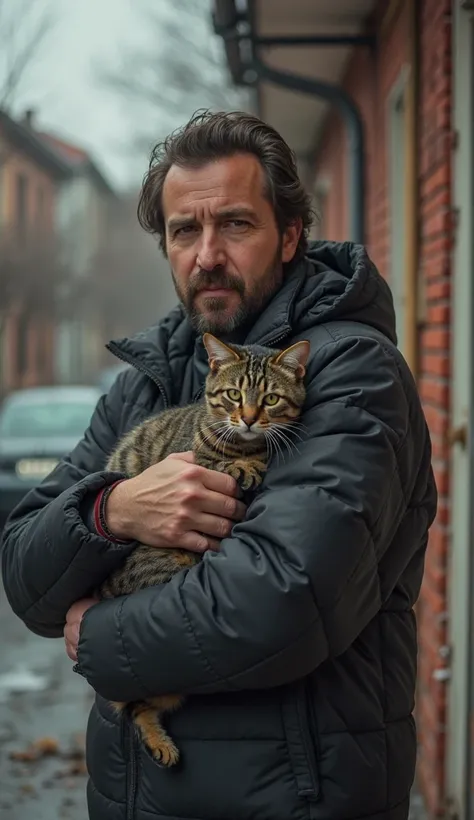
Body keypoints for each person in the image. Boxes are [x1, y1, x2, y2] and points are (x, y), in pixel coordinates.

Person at [1, 110, 437, 820]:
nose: (206, 254)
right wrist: (112, 511)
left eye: (234, 224)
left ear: (290, 235)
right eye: (184, 231)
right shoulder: (144, 383)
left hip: (291, 800)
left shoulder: (353, 373)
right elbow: (24, 569)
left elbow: (280, 602)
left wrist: (97, 637)